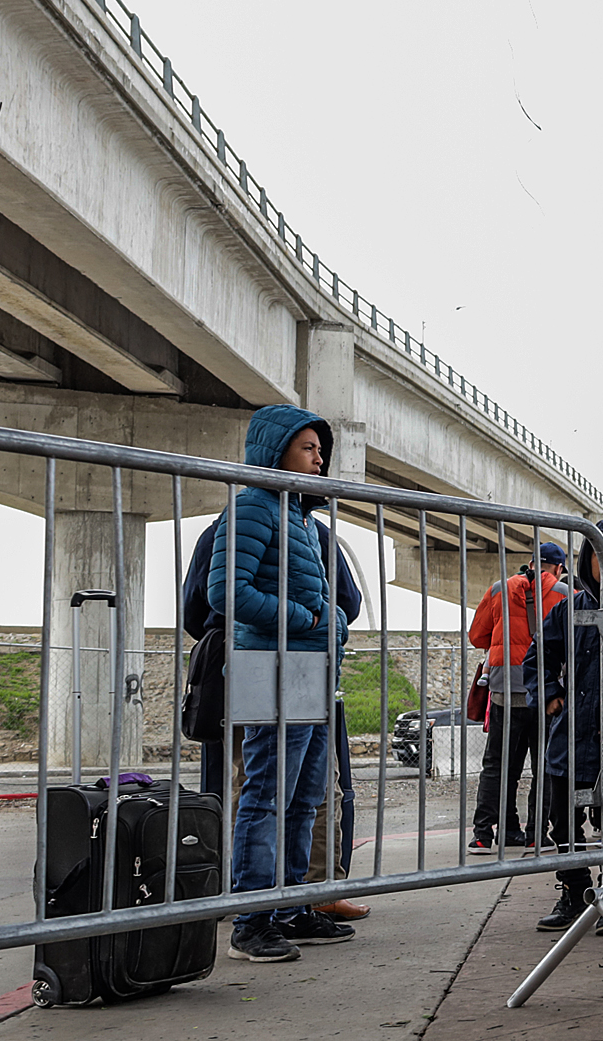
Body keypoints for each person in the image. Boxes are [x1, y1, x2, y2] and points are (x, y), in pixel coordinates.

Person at [208, 404, 354, 964]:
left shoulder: (297, 516)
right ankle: (251, 921)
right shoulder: (252, 508)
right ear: (277, 452)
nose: (319, 460)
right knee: (267, 796)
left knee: (305, 798)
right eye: (308, 448)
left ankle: (291, 907)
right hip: (270, 667)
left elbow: (322, 604)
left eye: (321, 450)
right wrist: (309, 620)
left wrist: (331, 621)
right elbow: (227, 594)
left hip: (310, 670)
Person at [526, 520, 603, 932]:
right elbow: (538, 654)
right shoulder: (568, 608)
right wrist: (549, 695)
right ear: (586, 558)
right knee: (562, 816)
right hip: (571, 733)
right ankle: (574, 892)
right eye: (599, 553)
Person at [467, 542, 572, 850]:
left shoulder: (499, 589)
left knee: (498, 765)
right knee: (545, 766)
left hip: (503, 690)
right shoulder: (566, 594)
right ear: (558, 568)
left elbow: (477, 637)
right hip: (547, 693)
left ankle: (483, 835)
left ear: (530, 563)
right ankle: (536, 835)